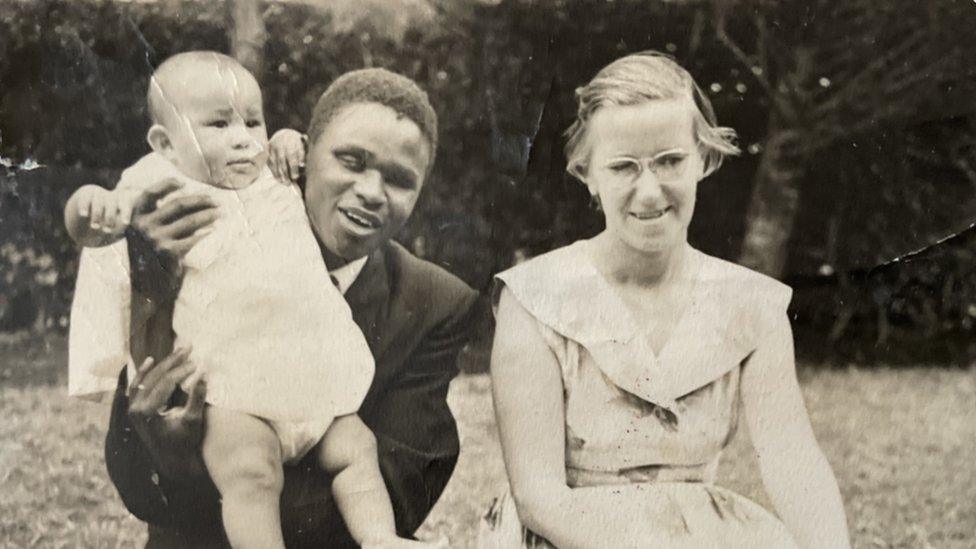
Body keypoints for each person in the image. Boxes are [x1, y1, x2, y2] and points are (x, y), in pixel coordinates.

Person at [66, 52, 441, 549]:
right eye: (219, 124)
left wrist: (286, 140)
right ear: (165, 143)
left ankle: (381, 540)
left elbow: (412, 479)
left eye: (254, 122)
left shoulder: (270, 175)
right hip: (234, 390)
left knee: (358, 449)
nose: (243, 138)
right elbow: (97, 229)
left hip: (315, 386)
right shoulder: (160, 187)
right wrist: (89, 207)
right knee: (250, 475)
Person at [479, 51, 851, 548]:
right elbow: (539, 498)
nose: (649, 192)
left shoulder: (750, 306)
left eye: (670, 161)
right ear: (587, 174)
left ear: (705, 159)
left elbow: (793, 463)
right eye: (623, 167)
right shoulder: (536, 297)